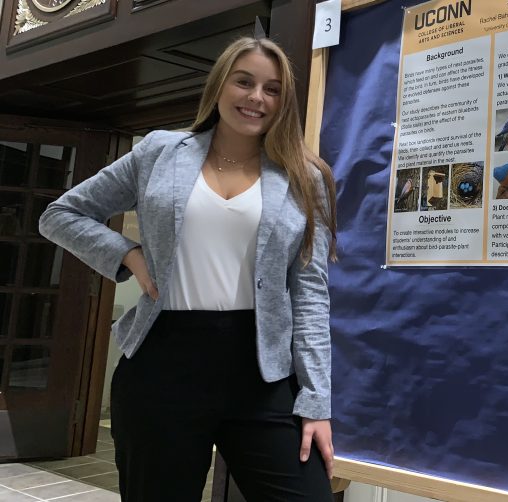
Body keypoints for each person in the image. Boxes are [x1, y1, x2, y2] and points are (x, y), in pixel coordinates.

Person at [39, 37, 337, 502]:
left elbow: (310, 291)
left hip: (264, 372)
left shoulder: (302, 175)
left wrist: (316, 401)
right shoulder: (160, 152)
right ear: (220, 84)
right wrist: (128, 255)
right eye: (244, 81)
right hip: (163, 363)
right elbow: (60, 215)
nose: (256, 97)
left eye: (272, 89)